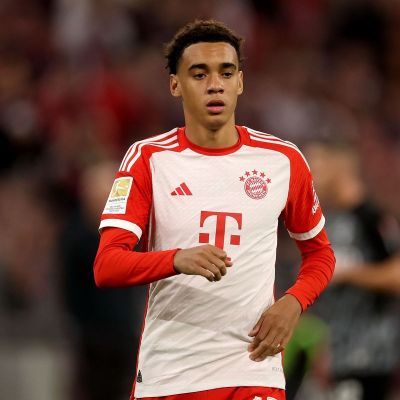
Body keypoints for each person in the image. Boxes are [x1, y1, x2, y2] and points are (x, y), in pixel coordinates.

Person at [93, 20, 335, 400]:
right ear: (175, 85)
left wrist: (293, 303)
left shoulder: (282, 160)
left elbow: (320, 253)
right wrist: (176, 259)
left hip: (252, 367)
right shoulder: (148, 158)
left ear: (240, 82)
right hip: (170, 373)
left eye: (226, 72)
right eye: (199, 74)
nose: (215, 85)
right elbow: (107, 266)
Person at [306, 141, 400, 400]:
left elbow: (396, 275)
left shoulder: (371, 218)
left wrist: (349, 272)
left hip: (370, 360)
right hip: (339, 359)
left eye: (317, 165)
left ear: (340, 168)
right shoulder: (327, 220)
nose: (310, 174)